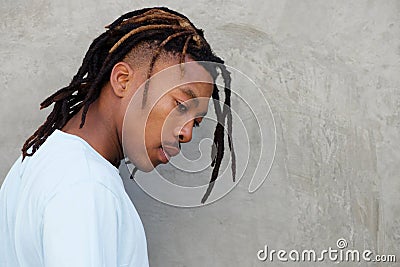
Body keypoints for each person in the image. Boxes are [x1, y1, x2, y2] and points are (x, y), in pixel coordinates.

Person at [0, 6, 235, 266]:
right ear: (122, 80)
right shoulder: (86, 186)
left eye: (196, 122)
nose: (186, 134)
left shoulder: (36, 159)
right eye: (180, 106)